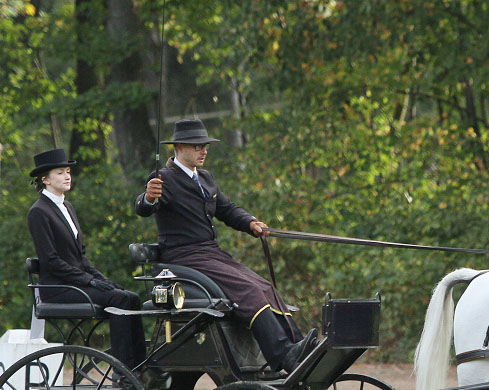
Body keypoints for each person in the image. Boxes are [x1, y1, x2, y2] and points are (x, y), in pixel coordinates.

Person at [134, 118, 317, 373]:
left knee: (264, 287)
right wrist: (148, 198)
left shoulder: (206, 178)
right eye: (197, 146)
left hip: (211, 253)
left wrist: (251, 222)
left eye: (205, 146)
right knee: (248, 292)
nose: (204, 150)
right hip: (185, 256)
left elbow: (227, 209)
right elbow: (144, 206)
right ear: (178, 147)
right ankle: (284, 356)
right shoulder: (163, 178)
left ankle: (298, 346)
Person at [27, 148, 146, 369]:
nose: (67, 176)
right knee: (119, 300)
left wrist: (102, 279)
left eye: (68, 171)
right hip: (59, 288)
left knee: (131, 297)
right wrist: (88, 281)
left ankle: (141, 364)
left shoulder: (67, 207)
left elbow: (80, 257)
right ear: (45, 179)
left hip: (75, 282)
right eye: (60, 172)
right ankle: (123, 369)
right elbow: (51, 261)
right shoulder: (39, 212)